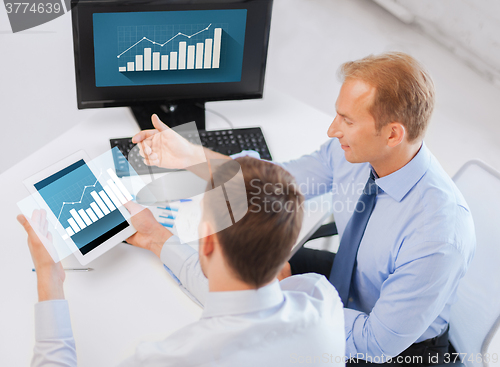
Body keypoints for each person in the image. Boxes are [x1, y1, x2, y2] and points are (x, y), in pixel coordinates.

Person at [133, 52, 476, 365]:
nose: (332, 129)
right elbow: (269, 188)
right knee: (242, 266)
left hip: (398, 351)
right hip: (351, 282)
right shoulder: (355, 155)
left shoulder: (439, 234)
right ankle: (158, 240)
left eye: (347, 120)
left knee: (244, 293)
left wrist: (275, 301)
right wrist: (190, 155)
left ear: (392, 134)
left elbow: (376, 342)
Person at [18, 157, 346, 367]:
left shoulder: (174, 358)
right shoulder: (321, 298)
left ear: (206, 243)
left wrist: (48, 276)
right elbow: (241, 300)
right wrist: (156, 237)